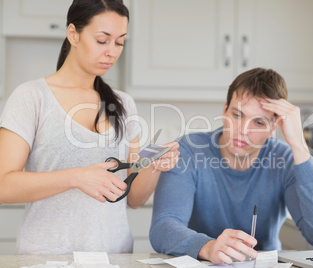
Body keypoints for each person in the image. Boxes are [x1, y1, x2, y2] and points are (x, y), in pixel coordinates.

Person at [0, 0, 179, 254]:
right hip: (46, 258)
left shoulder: (124, 104)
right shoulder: (31, 97)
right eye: (102, 40)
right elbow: (3, 186)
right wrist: (76, 177)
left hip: (113, 256)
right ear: (73, 33)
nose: (112, 52)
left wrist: (154, 166)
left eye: (119, 42)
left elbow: (134, 199)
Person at [150, 67, 313, 264]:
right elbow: (163, 227)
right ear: (224, 111)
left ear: (274, 127)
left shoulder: (284, 158)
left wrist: (298, 145)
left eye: (258, 122)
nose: (243, 130)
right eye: (237, 115)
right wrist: (209, 247)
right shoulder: (189, 151)